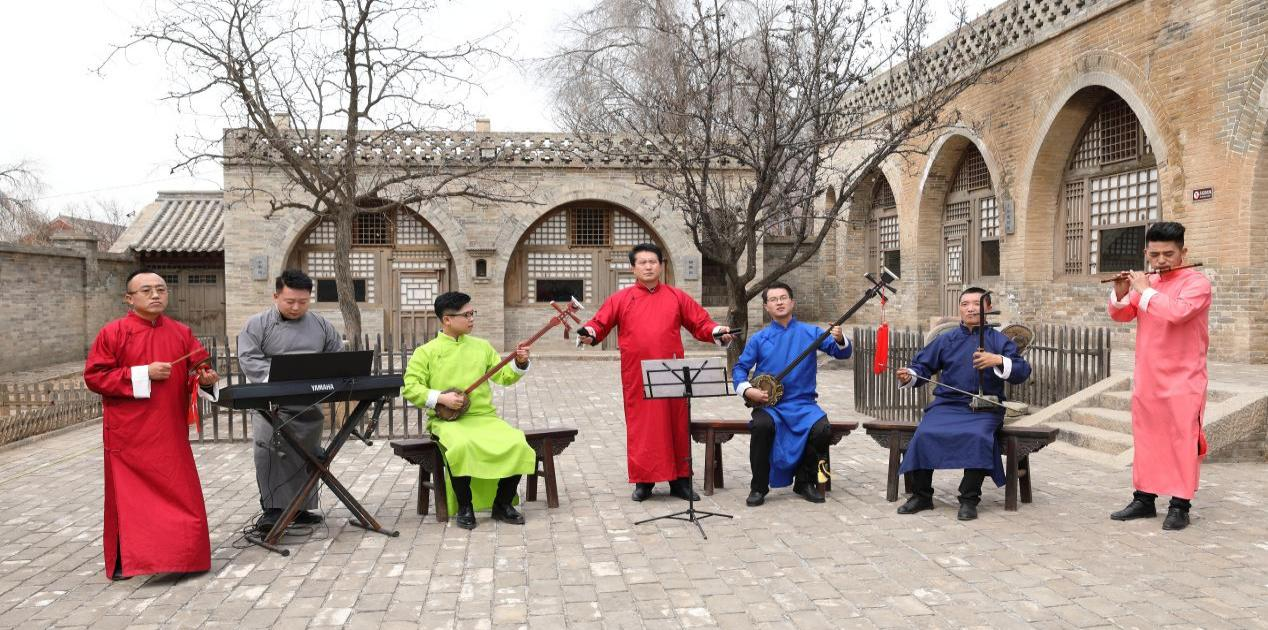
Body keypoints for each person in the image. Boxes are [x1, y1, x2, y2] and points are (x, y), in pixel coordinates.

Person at [84, 269, 221, 581]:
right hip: (128, 432)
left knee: (181, 492)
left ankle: (186, 558)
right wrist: (142, 373)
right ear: (129, 298)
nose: (156, 295)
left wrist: (206, 379)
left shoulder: (181, 332)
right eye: (146, 290)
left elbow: (199, 368)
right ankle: (130, 561)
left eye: (161, 289)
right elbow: (95, 377)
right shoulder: (113, 333)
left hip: (169, 429)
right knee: (130, 498)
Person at [577, 243, 734, 502]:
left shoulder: (676, 296)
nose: (648, 266)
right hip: (637, 374)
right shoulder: (620, 299)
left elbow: (700, 322)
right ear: (633, 268)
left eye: (653, 262)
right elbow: (598, 323)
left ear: (661, 266)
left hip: (672, 373)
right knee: (643, 427)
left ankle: (680, 480)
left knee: (675, 424)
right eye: (643, 262)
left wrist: (717, 331)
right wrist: (590, 333)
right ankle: (644, 481)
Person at [401, 291, 537, 529]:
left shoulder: (482, 347)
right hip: (448, 422)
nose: (472, 318)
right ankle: (465, 506)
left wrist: (520, 362)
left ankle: (502, 503)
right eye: (466, 315)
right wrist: (441, 398)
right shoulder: (426, 352)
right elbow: (410, 387)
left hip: (484, 418)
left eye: (473, 313)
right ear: (447, 319)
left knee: (517, 443)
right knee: (461, 446)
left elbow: (504, 376)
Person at [1106, 221, 1211, 531]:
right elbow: (1122, 314)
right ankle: (1144, 499)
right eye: (1154, 255)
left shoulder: (1197, 283)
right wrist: (1121, 293)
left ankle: (1180, 505)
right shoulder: (1148, 283)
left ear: (1183, 252)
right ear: (1146, 253)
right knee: (1147, 439)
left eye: (1169, 254)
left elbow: (1177, 312)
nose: (1161, 260)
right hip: (1148, 375)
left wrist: (1144, 290)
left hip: (1184, 378)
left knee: (1182, 440)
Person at [894, 287, 1031, 521]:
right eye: (965, 304)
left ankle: (969, 499)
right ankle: (921, 495)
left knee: (978, 436)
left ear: (987, 308)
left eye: (977, 304)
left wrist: (997, 359)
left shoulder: (998, 340)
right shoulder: (946, 339)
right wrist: (910, 375)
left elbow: (1022, 370)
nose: (970, 309)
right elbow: (922, 366)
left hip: (985, 407)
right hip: (947, 404)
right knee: (925, 433)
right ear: (959, 308)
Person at [237, 269, 343, 532]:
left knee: (306, 453)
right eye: (290, 301)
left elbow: (335, 353)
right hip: (271, 401)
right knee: (269, 453)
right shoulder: (257, 324)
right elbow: (248, 358)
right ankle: (273, 510)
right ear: (276, 296)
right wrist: (276, 379)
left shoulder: (320, 324)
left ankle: (300, 508)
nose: (296, 307)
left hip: (308, 399)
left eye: (303, 302)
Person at [731, 282, 851, 506]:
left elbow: (841, 353)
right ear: (766, 307)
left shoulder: (812, 332)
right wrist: (748, 390)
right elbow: (739, 369)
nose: (779, 302)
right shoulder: (759, 338)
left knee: (822, 429)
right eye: (773, 299)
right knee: (761, 426)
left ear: (792, 302)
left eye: (783, 298)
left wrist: (839, 339)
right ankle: (758, 486)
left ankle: (806, 482)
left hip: (804, 404)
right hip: (770, 405)